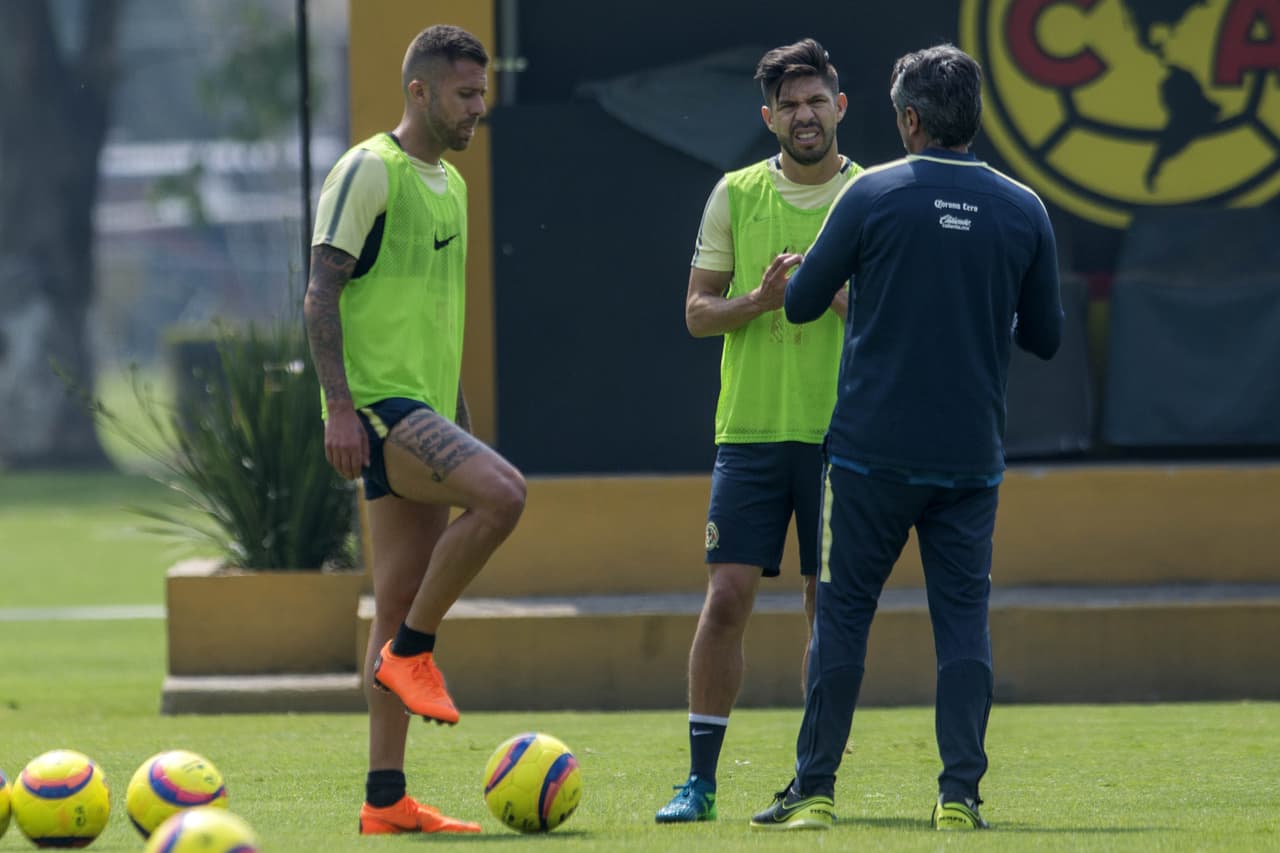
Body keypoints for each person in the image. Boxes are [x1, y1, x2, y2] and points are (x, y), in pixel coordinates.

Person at [749, 43, 1062, 831]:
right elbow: (1049, 337)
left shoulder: (872, 195)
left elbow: (800, 302)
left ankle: (814, 789)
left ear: (911, 119)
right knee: (962, 621)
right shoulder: (1025, 208)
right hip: (969, 458)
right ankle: (959, 796)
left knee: (845, 613)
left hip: (867, 455)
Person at [303, 24, 526, 836]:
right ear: (420, 92)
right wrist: (337, 408)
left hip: (424, 411)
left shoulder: (454, 187)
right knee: (505, 497)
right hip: (376, 408)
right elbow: (320, 294)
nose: (479, 107)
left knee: (394, 595)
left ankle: (385, 797)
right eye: (466, 93)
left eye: (483, 91)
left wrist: (457, 419)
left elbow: (436, 316)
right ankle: (413, 652)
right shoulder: (369, 169)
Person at [655, 38, 862, 824]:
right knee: (727, 598)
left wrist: (837, 297)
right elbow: (696, 313)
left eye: (817, 102)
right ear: (768, 116)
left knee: (828, 605)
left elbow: (902, 320)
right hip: (749, 434)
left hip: (843, 437)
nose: (804, 115)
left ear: (840, 108)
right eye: (790, 104)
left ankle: (814, 778)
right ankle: (700, 780)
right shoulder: (734, 193)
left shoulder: (873, 194)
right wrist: (761, 300)